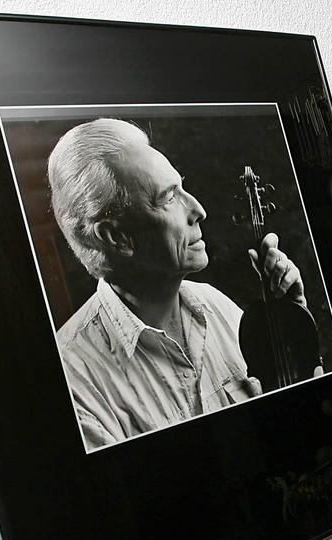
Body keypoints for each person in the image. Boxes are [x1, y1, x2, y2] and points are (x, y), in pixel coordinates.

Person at [47, 118, 308, 449]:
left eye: (182, 187)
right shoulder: (74, 380)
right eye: (168, 197)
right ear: (117, 237)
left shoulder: (216, 305)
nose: (198, 210)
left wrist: (293, 329)